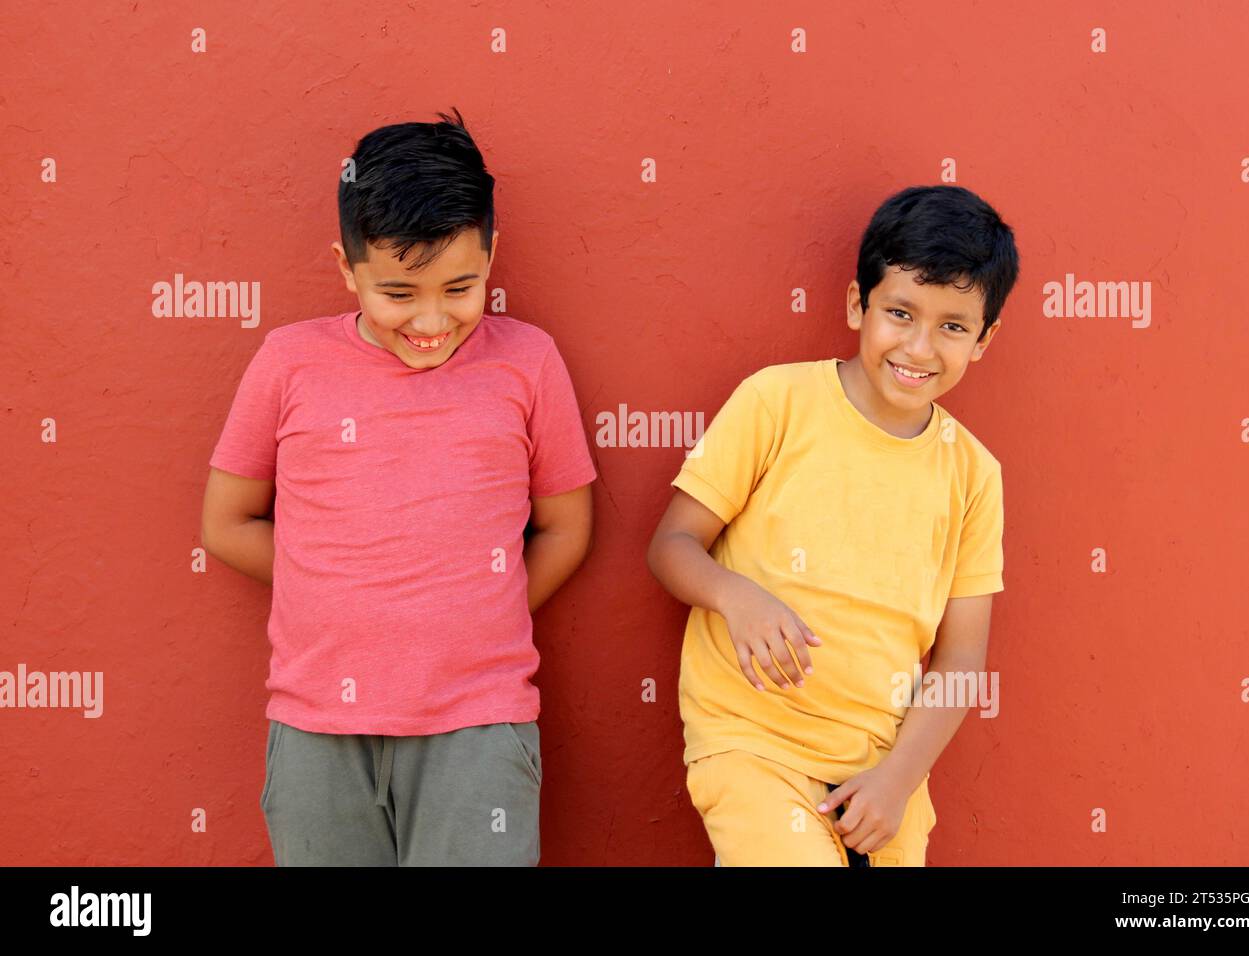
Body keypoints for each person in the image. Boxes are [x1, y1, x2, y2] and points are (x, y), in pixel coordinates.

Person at [200, 111, 596, 865]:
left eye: (460, 286)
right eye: (397, 293)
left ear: (492, 255)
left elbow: (567, 527)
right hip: (318, 727)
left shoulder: (529, 363)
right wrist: (345, 593)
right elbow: (227, 522)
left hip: (478, 723)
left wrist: (475, 604)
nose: (431, 319)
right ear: (346, 270)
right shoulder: (288, 364)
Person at [646, 185, 1019, 866]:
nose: (919, 346)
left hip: (881, 773)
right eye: (899, 313)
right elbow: (672, 544)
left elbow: (962, 661)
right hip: (754, 744)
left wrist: (899, 780)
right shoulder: (777, 402)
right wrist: (737, 596)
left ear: (985, 338)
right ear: (857, 304)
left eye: (953, 326)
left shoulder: (973, 475)